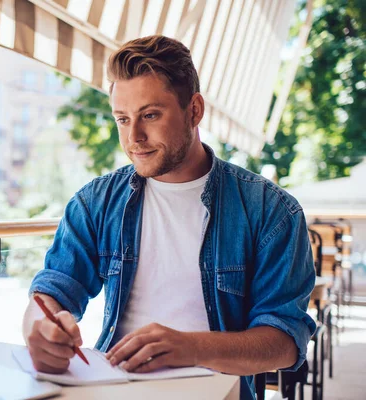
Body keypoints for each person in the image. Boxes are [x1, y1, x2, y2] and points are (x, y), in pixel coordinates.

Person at [22, 35, 316, 399]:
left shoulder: (271, 211)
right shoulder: (95, 202)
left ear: (194, 110)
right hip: (112, 390)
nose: (134, 138)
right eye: (122, 119)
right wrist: (41, 332)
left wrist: (191, 348)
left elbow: (285, 342)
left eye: (150, 115)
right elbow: (50, 293)